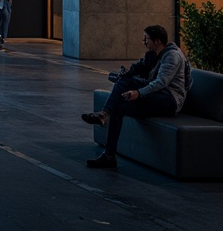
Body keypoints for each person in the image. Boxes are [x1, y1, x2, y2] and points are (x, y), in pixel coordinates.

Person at [81, 24, 193, 169]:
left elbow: (161, 83)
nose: (144, 42)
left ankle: (105, 125)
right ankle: (105, 120)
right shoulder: (154, 55)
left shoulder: (172, 56)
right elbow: (141, 68)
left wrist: (138, 93)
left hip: (169, 100)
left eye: (146, 39)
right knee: (121, 91)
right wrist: (128, 74)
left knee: (121, 103)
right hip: (157, 96)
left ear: (157, 41)